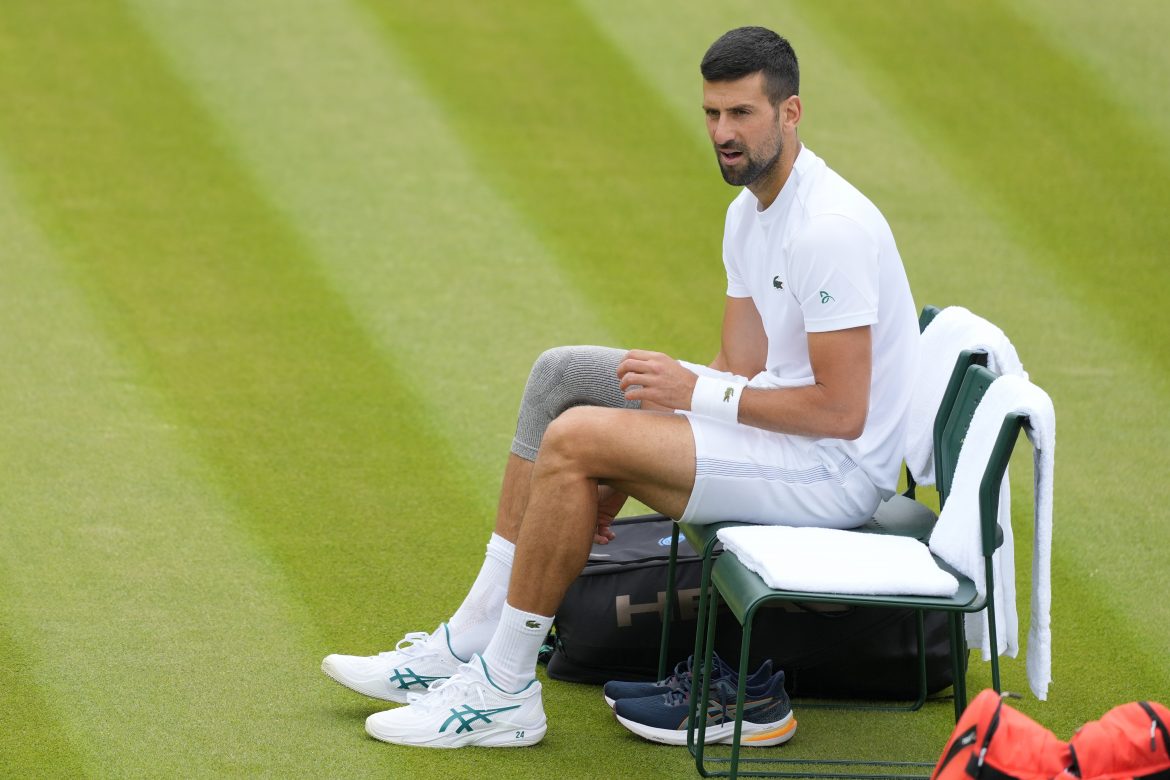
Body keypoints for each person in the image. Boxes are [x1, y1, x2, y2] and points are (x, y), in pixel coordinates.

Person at [321, 25, 918, 749]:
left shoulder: (830, 229)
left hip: (832, 475)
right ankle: (469, 637)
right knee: (563, 376)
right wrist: (640, 443)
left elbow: (841, 412)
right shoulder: (748, 213)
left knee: (577, 440)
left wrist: (666, 415)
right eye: (711, 114)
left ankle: (505, 691)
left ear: (790, 114)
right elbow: (739, 363)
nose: (722, 133)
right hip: (781, 440)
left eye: (742, 115)